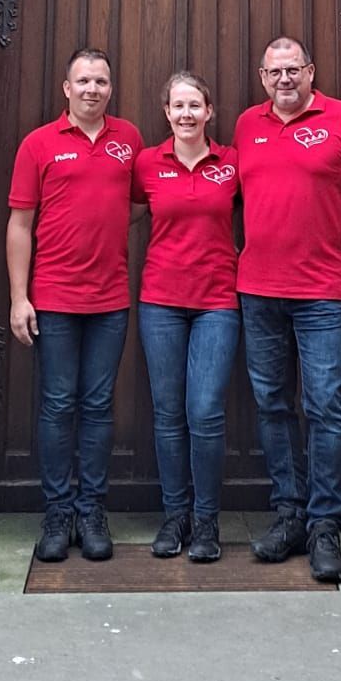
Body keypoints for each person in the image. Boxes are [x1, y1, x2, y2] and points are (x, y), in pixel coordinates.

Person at [234, 34, 341, 584]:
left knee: (325, 407)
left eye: (293, 69)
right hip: (258, 290)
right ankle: (290, 514)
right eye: (274, 72)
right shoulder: (246, 125)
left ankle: (325, 526)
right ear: (262, 77)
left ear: (311, 71)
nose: (284, 79)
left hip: (322, 292)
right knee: (272, 406)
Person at [6, 47, 142, 563]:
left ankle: (91, 509)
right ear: (67, 88)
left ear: (111, 88)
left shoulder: (128, 140)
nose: (92, 89)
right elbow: (20, 225)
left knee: (99, 405)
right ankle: (58, 511)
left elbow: (135, 205)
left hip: (109, 298)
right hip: (55, 298)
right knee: (59, 404)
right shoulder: (38, 144)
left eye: (100, 81)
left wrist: (99, 229)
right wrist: (19, 298)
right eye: (83, 81)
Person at [133, 70, 242, 564]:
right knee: (168, 413)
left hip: (218, 301)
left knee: (205, 411)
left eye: (194, 105)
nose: (186, 114)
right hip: (161, 301)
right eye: (178, 106)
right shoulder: (147, 164)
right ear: (166, 112)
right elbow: (124, 211)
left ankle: (206, 520)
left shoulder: (231, 163)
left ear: (209, 111)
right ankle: (175, 515)